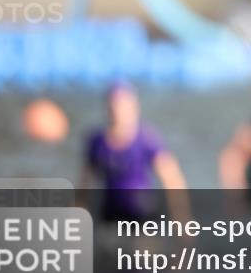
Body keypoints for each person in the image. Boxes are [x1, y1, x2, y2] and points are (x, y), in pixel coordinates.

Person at [79, 82, 190, 223]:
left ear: (134, 108)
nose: (118, 112)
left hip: (143, 215)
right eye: (114, 106)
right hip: (111, 215)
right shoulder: (97, 141)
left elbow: (172, 179)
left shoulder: (147, 139)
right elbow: (84, 184)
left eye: (122, 106)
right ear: (107, 108)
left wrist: (182, 218)